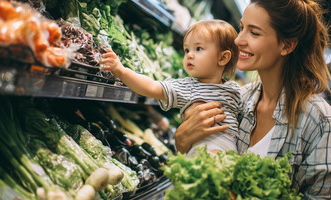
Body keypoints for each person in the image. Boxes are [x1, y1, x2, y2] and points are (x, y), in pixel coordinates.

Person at [174, 0, 331, 199]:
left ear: (286, 45)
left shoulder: (317, 119)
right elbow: (202, 168)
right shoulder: (237, 99)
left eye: (254, 32)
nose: (239, 40)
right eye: (242, 28)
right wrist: (183, 142)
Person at [100, 19, 241, 156]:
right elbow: (151, 86)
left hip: (231, 151)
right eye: (187, 50)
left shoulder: (234, 89)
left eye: (198, 48)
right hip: (201, 152)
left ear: (223, 58)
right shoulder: (187, 86)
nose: (189, 55)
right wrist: (121, 71)